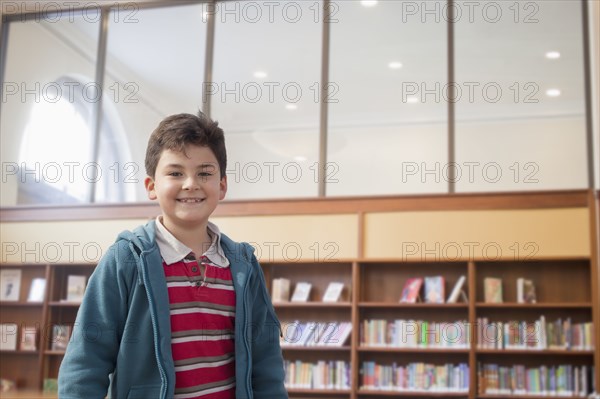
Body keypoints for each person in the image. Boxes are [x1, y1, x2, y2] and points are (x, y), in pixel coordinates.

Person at [58, 112, 288, 399]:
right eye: (176, 173)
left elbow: (266, 363)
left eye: (205, 173)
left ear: (223, 185)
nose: (191, 183)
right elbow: (85, 363)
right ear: (151, 186)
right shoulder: (125, 259)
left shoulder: (243, 265)